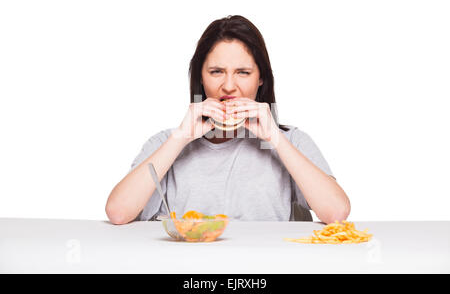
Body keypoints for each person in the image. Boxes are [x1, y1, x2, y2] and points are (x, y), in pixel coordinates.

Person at [105, 15, 350, 225]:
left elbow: (337, 213)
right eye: (216, 72)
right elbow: (118, 213)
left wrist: (274, 137)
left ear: (261, 78)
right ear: (200, 77)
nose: (229, 87)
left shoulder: (291, 140)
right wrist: (180, 139)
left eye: (243, 73)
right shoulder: (166, 142)